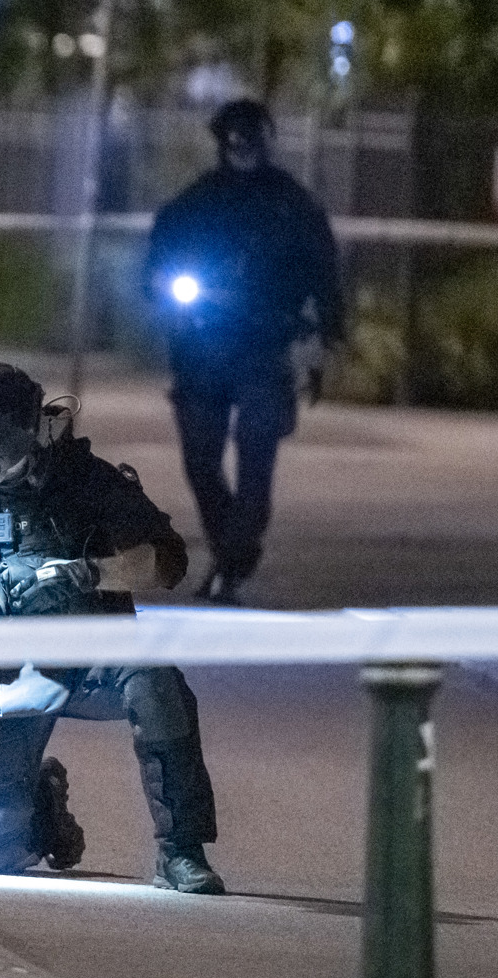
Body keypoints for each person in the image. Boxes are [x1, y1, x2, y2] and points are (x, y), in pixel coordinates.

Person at [0, 363, 224, 894]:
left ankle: (182, 850)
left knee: (156, 681)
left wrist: (90, 573)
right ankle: (39, 804)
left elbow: (167, 561)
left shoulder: (84, 481)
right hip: (3, 681)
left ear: (34, 432)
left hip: (92, 660)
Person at [144, 99, 343, 605]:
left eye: (251, 136)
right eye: (234, 137)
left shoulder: (292, 206)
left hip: (265, 346)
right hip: (203, 346)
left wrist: (325, 339)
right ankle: (231, 551)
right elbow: (158, 266)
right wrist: (169, 299)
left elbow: (325, 274)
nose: (243, 147)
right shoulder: (194, 205)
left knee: (257, 452)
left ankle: (232, 560)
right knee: (200, 460)